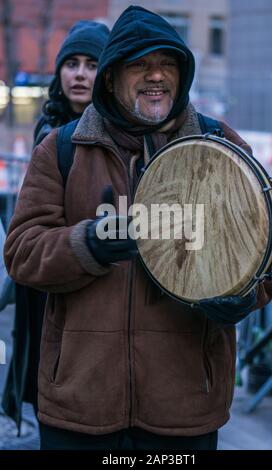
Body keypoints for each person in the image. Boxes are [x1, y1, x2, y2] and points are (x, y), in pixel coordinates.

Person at [4, 6, 272, 450]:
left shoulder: (221, 145)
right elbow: (21, 252)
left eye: (167, 63)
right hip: (80, 409)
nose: (156, 75)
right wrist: (90, 244)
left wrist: (242, 294)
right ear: (112, 77)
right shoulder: (61, 149)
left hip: (184, 411)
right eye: (140, 64)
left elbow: (269, 253)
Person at [1, 19, 109, 432]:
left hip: (89, 266)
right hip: (45, 264)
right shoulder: (48, 127)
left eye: (91, 64)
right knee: (43, 362)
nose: (79, 74)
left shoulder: (114, 133)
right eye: (71, 64)